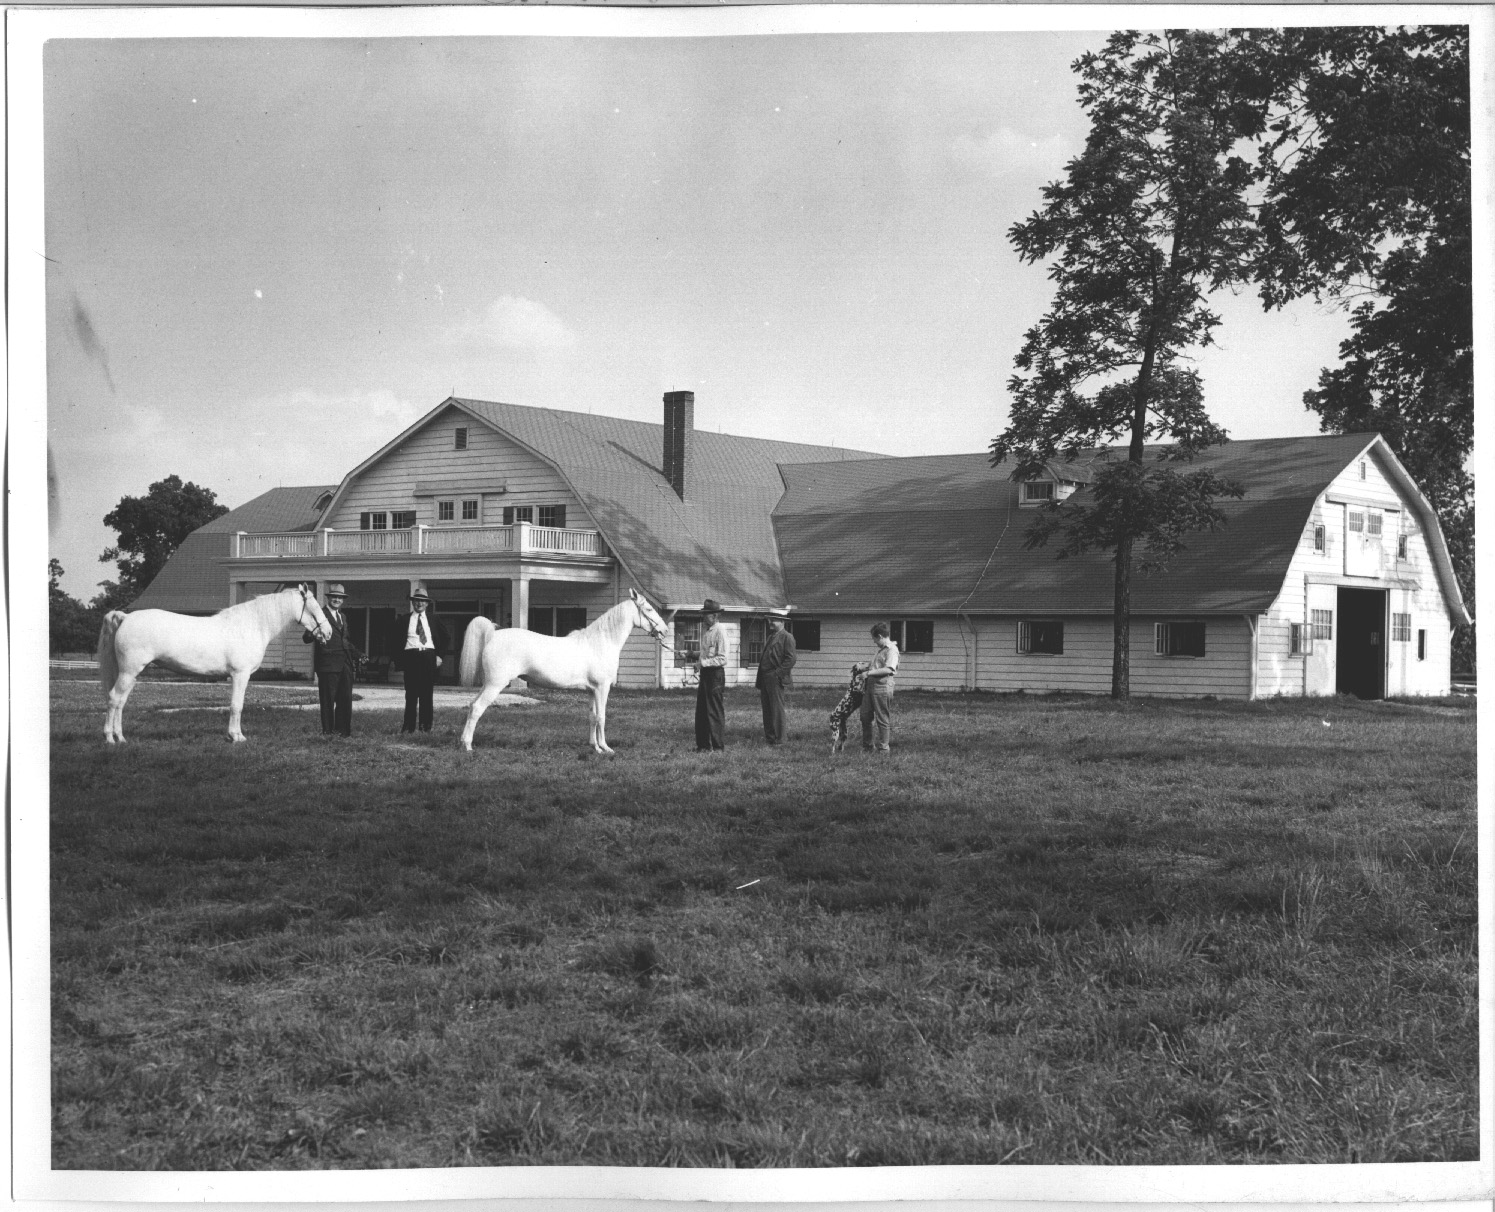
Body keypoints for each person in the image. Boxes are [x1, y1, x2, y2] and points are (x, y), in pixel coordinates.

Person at [302, 582, 362, 737]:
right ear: (329, 598)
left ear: (343, 600)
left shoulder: (343, 616)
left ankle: (343, 733)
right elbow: (306, 638)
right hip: (328, 665)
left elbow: (345, 641)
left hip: (345, 665)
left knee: (345, 700)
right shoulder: (319, 615)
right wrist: (313, 632)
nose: (337, 600)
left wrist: (358, 654)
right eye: (334, 597)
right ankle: (328, 733)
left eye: (340, 598)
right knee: (328, 701)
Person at [395, 582, 450, 734]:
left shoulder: (433, 619)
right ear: (412, 602)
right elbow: (394, 640)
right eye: (416, 600)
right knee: (411, 695)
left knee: (427, 694)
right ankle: (408, 728)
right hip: (411, 657)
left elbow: (446, 638)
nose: (419, 603)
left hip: (428, 657)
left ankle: (426, 728)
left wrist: (439, 656)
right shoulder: (404, 619)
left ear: (426, 604)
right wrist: (399, 661)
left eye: (422, 601)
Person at [756, 611, 797, 745]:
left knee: (777, 709)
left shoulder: (787, 637)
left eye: (773, 620)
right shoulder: (771, 637)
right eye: (769, 620)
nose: (770, 622)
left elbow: (791, 659)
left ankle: (780, 740)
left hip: (775, 677)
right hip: (765, 677)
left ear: (781, 622)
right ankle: (770, 738)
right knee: (767, 709)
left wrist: (778, 674)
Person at [694, 598, 728, 751]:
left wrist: (703, 663)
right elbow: (705, 654)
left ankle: (718, 747)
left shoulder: (720, 631)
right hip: (706, 675)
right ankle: (703, 746)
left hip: (715, 675)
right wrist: (690, 655)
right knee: (701, 711)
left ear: (715, 616)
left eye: (706, 614)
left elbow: (722, 658)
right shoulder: (707, 631)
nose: (704, 617)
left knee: (714, 711)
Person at [860, 621, 899, 752]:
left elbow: (889, 669)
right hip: (871, 686)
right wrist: (864, 667)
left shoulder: (891, 650)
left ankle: (883, 749)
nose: (874, 642)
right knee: (865, 716)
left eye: (875, 639)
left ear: (880, 636)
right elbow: (877, 666)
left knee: (882, 718)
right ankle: (868, 746)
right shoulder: (880, 651)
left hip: (882, 686)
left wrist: (869, 673)